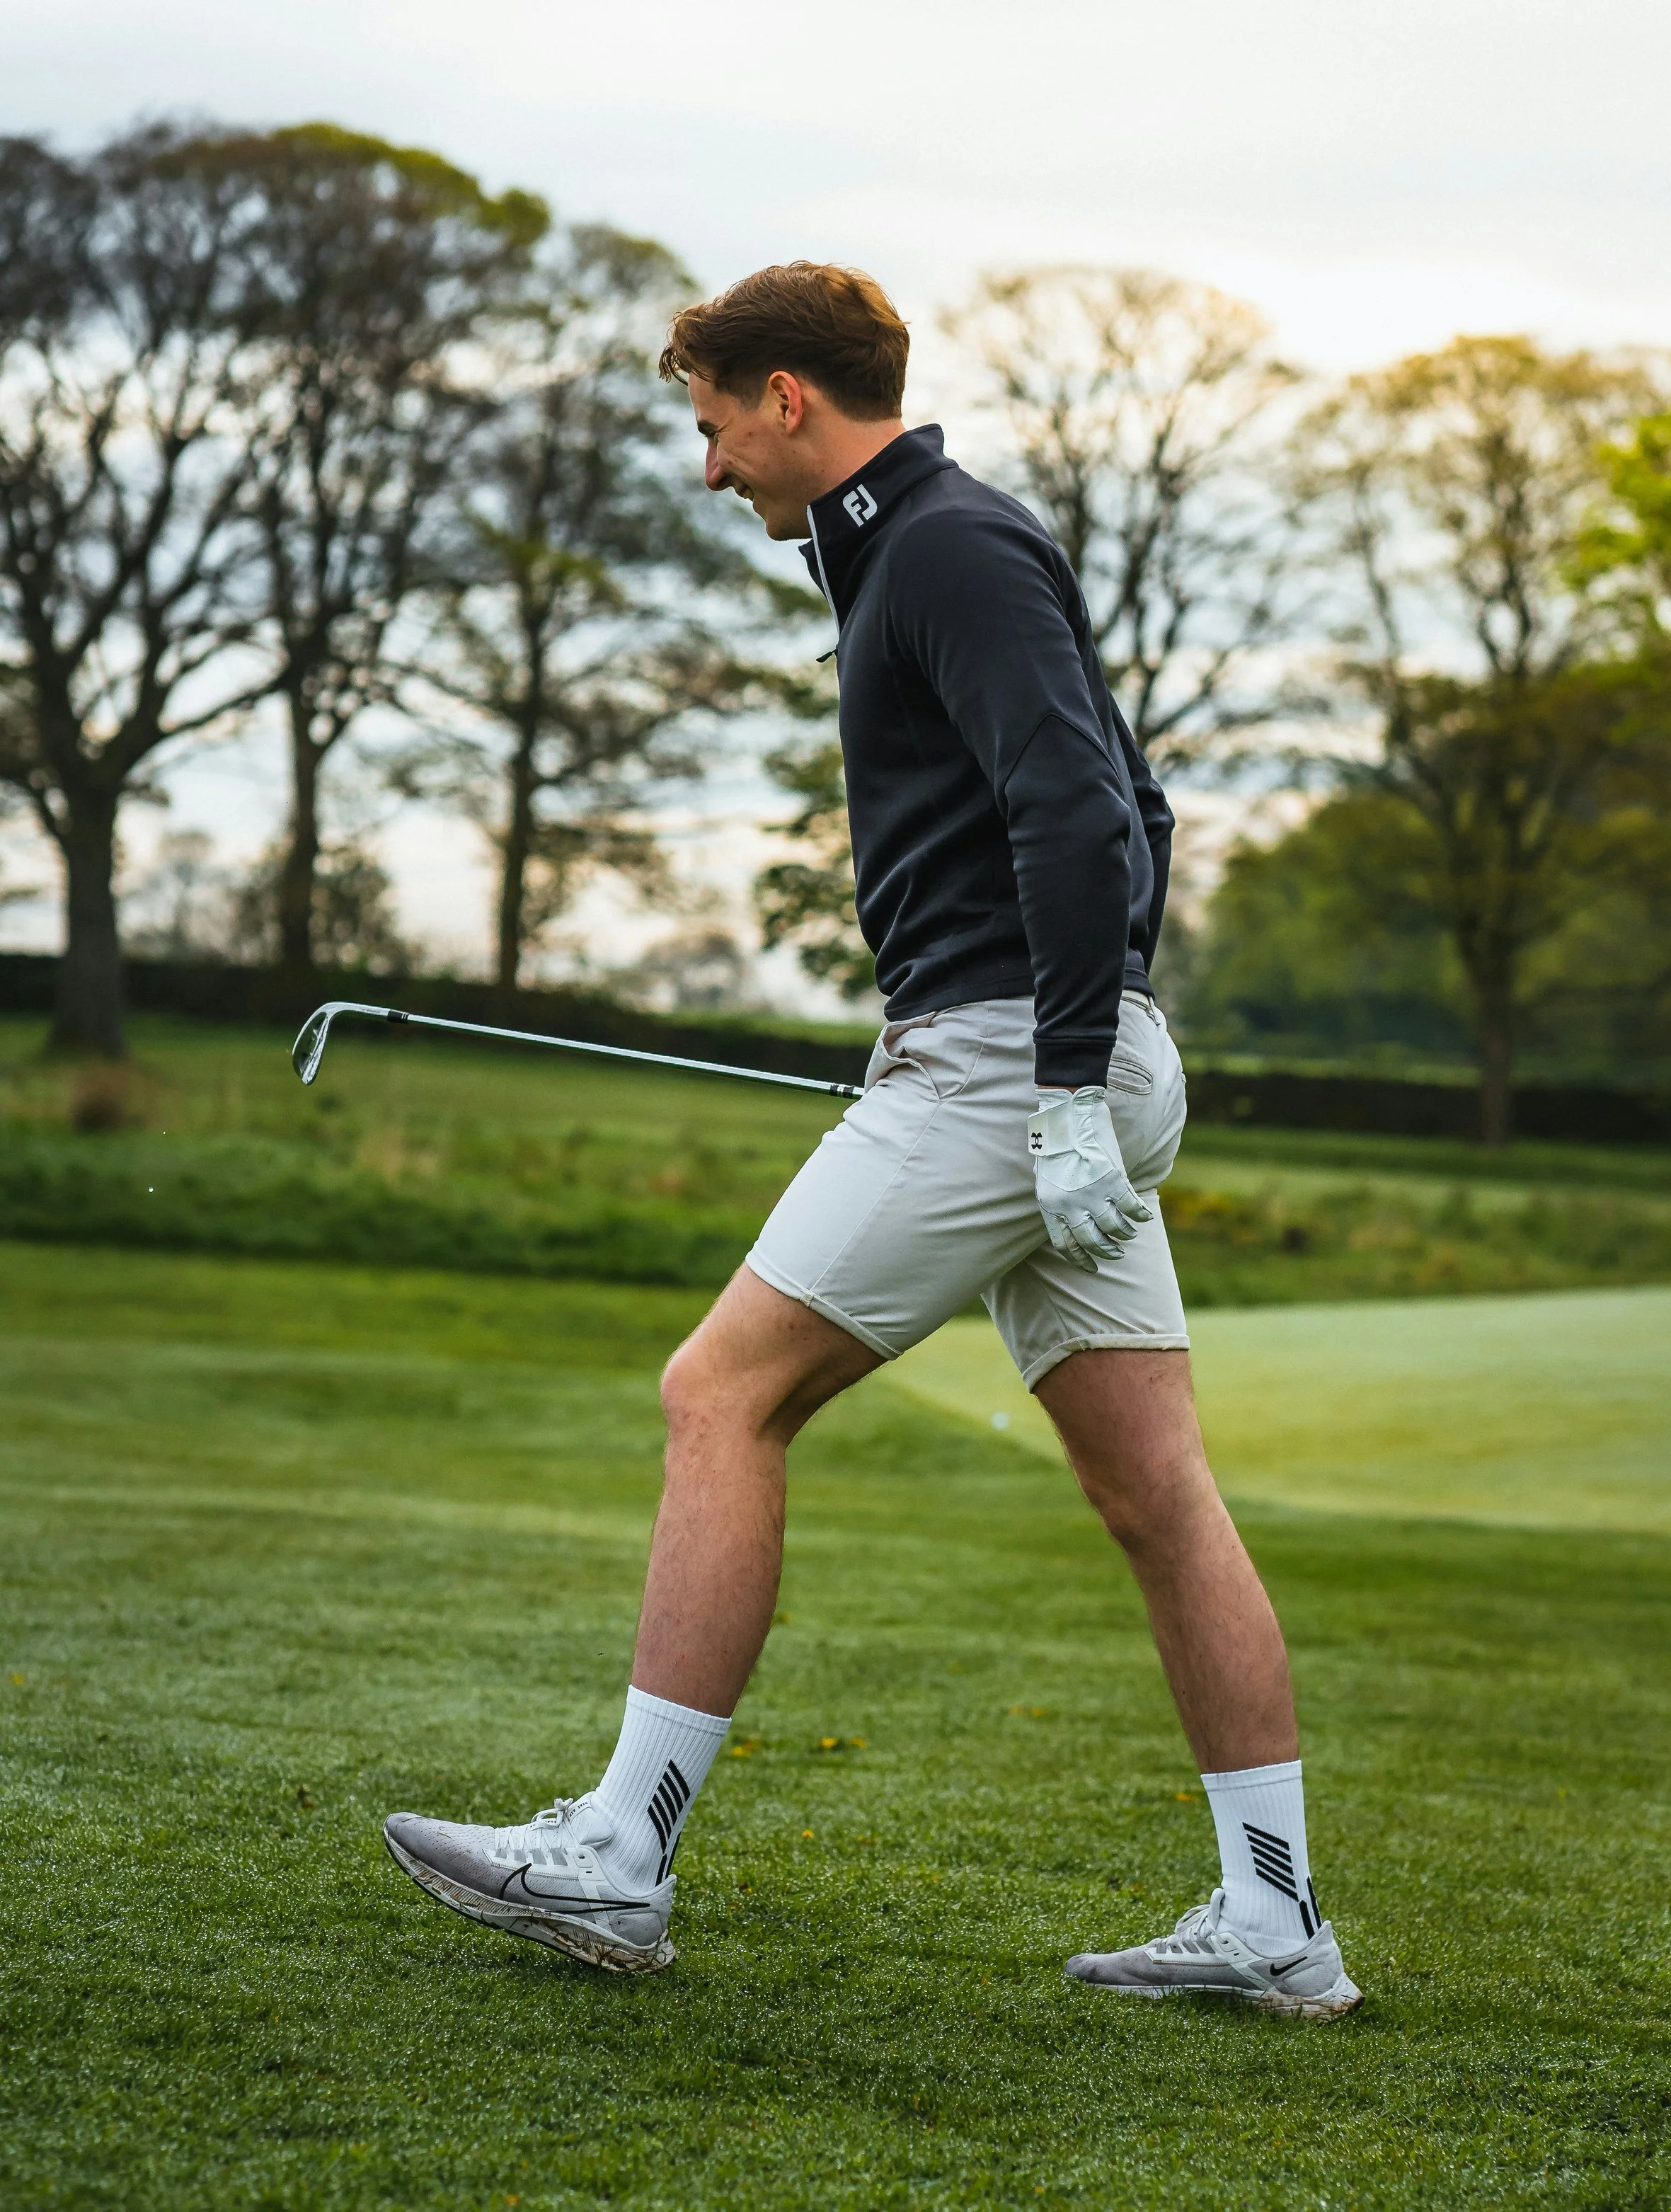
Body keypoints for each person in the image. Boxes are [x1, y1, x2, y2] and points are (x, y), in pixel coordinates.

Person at [383, 263, 1361, 2017]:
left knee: (719, 1390)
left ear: (781, 397)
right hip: (1032, 1061)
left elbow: (1079, 805)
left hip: (1009, 1070)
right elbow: (1126, 800)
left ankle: (617, 1854)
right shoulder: (910, 555)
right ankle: (1274, 1918)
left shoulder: (943, 548)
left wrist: (1058, 1075)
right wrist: (1075, 1059)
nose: (706, 472)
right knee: (1153, 1488)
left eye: (707, 428)